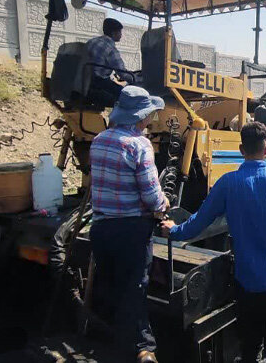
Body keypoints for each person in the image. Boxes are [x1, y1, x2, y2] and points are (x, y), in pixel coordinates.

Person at [160, 122, 266, 363]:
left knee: (249, 348)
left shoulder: (228, 184)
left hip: (247, 282)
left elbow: (199, 222)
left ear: (241, 149)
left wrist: (174, 231)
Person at [89, 86, 168, 363]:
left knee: (111, 285)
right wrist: (163, 205)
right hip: (130, 232)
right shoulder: (139, 145)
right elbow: (150, 194)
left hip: (101, 229)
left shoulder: (98, 140)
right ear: (141, 117)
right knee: (134, 287)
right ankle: (142, 349)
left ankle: (114, 342)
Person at [86, 18, 132, 107]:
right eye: (120, 32)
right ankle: (118, 119)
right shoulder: (111, 49)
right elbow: (122, 73)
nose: (121, 35)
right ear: (114, 33)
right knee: (127, 97)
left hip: (84, 82)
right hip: (98, 84)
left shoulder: (91, 41)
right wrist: (135, 79)